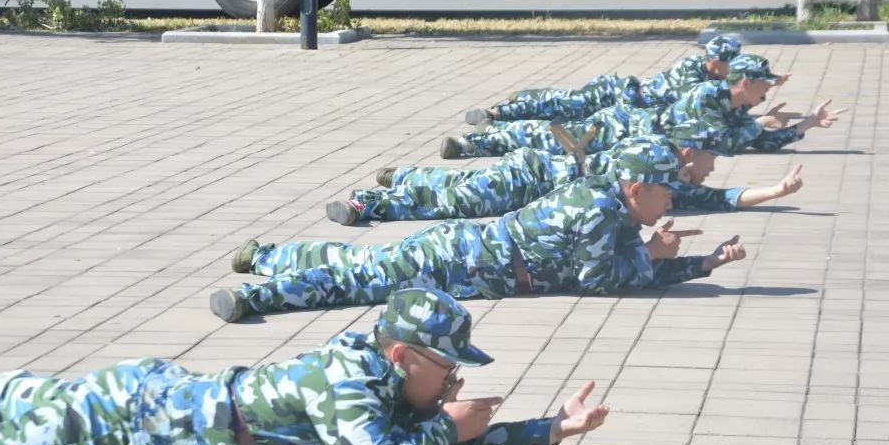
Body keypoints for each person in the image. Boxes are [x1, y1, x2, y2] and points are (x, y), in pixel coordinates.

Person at [0, 289, 610, 445]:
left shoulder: (401, 394)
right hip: (129, 427)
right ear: (400, 355)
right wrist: (448, 429)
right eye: (447, 367)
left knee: (52, 407)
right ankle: (17, 397)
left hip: (161, 398)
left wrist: (552, 431)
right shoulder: (350, 379)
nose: (455, 381)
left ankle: (16, 390)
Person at [211, 138, 747, 323]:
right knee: (356, 282)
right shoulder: (597, 211)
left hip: (466, 256)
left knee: (359, 267)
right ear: (635, 188)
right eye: (664, 189)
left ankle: (267, 254)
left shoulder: (615, 208)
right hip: (459, 261)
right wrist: (655, 256)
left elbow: (629, 270)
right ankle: (255, 296)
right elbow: (600, 281)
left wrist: (701, 265)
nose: (672, 198)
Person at [324, 131, 805, 226]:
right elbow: (720, 195)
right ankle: (371, 203)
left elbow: (724, 198)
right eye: (709, 157)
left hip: (539, 178)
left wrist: (778, 192)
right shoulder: (653, 164)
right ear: (686, 151)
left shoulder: (664, 180)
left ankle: (402, 176)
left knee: (461, 194)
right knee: (458, 201)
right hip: (536, 176)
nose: (712, 167)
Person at [440, 54, 844, 160]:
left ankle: (486, 135)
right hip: (624, 126)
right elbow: (727, 142)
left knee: (552, 141)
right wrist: (763, 125)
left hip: (634, 139)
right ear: (744, 82)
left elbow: (754, 141)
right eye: (765, 86)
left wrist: (805, 125)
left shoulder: (735, 110)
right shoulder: (707, 98)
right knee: (546, 135)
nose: (767, 93)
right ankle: (475, 141)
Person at [462, 35, 746, 125]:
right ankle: (496, 113)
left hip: (624, 97)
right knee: (564, 104)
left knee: (563, 110)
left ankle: (513, 107)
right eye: (729, 64)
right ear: (715, 61)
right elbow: (709, 103)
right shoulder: (693, 74)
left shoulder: (702, 71)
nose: (731, 72)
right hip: (620, 95)